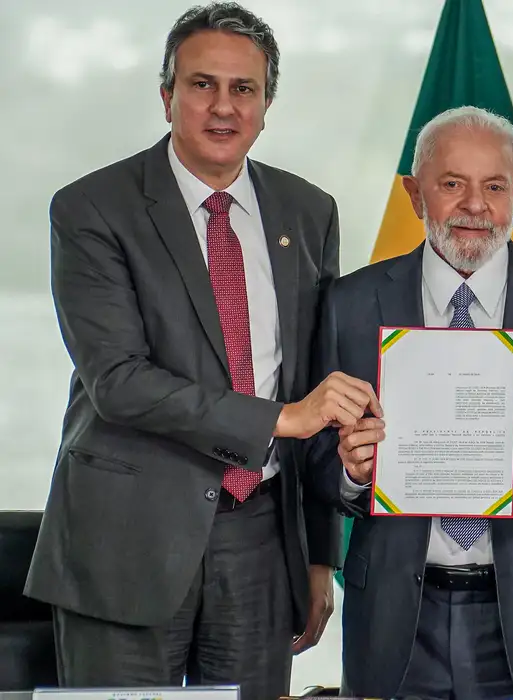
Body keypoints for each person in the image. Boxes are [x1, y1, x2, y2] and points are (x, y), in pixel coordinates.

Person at [25, 4, 382, 699]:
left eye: (243, 88)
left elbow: (318, 385)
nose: (223, 107)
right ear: (167, 96)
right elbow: (118, 381)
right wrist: (280, 419)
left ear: (266, 105)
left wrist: (318, 555)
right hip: (127, 539)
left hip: (261, 542)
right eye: (202, 85)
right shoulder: (92, 208)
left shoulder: (309, 212)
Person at [305, 106, 513, 700]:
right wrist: (351, 471)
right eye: (452, 183)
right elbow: (315, 461)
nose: (475, 205)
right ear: (414, 194)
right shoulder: (351, 304)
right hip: (399, 623)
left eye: (494, 187)